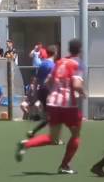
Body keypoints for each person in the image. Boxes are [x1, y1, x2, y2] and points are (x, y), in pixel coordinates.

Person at [16, 39, 85, 174]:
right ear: (80, 50)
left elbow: (48, 82)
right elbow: (76, 85)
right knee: (76, 135)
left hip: (53, 103)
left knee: (52, 138)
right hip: (68, 106)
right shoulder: (78, 64)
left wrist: (54, 93)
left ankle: (26, 144)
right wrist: (83, 91)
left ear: (69, 49)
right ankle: (64, 166)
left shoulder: (59, 62)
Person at [26, 45, 58, 139]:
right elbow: (53, 81)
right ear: (55, 53)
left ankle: (33, 131)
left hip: (42, 92)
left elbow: (36, 81)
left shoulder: (42, 64)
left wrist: (36, 93)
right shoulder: (53, 66)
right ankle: (54, 137)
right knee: (54, 116)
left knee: (49, 117)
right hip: (49, 92)